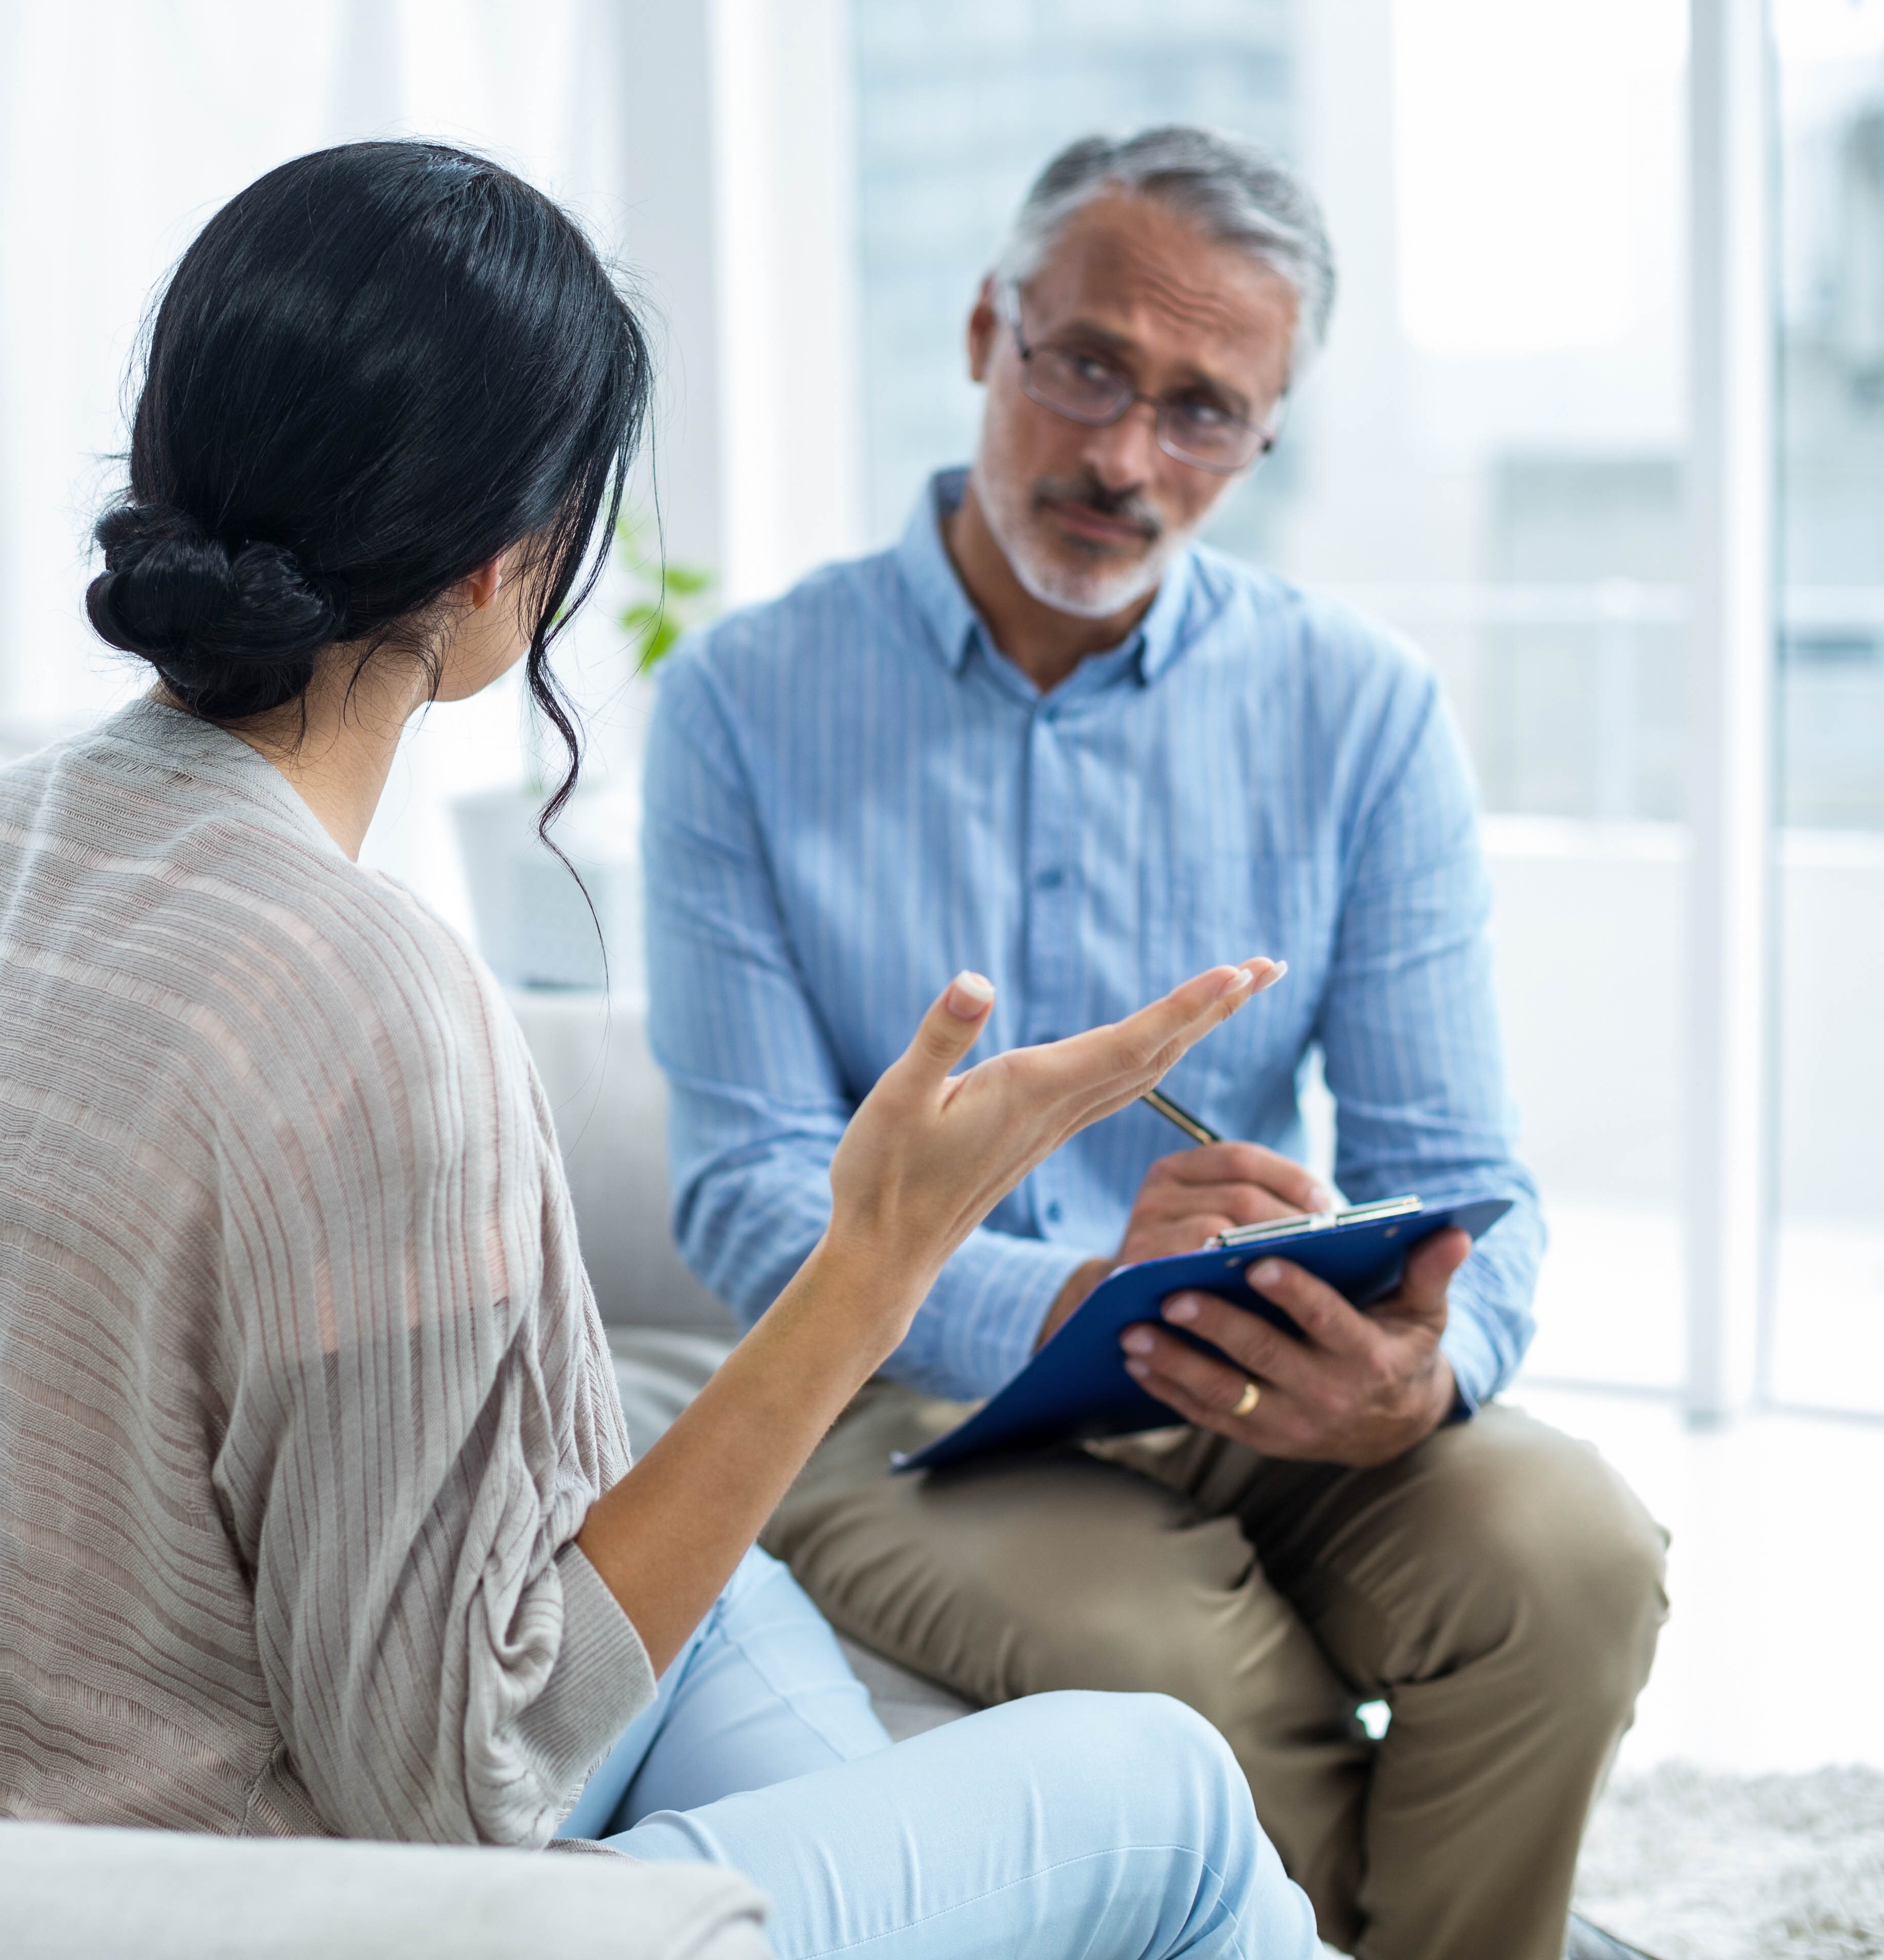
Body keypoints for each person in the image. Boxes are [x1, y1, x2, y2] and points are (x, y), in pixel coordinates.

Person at [0, 140, 1318, 1959]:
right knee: (1171, 1794)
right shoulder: (369, 1001)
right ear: (517, 561)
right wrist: (878, 1262)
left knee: (725, 1599)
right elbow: (455, 1781)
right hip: (238, 1920)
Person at [643, 127, 1670, 1960]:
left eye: (1202, 410)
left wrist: (1431, 1372)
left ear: (1265, 438)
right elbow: (741, 1196)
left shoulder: (1362, 712)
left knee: (1570, 1555)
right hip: (892, 1405)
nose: (1125, 456)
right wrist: (1058, 1301)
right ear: (987, 331)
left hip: (1258, 1369)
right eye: (1091, 367)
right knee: (1170, 1664)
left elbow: (1471, 1175)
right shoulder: (740, 704)